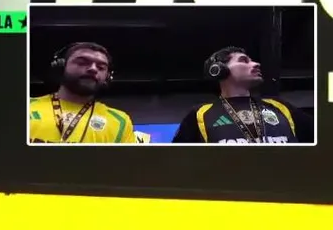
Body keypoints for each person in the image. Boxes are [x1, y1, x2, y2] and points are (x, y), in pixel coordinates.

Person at [171, 46, 314, 144]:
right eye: (244, 60)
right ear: (219, 70)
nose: (256, 64)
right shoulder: (200, 114)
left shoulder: (280, 106)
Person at [29, 42, 137, 144]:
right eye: (82, 62)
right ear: (61, 67)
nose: (93, 69)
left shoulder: (119, 122)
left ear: (107, 77)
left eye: (101, 67)